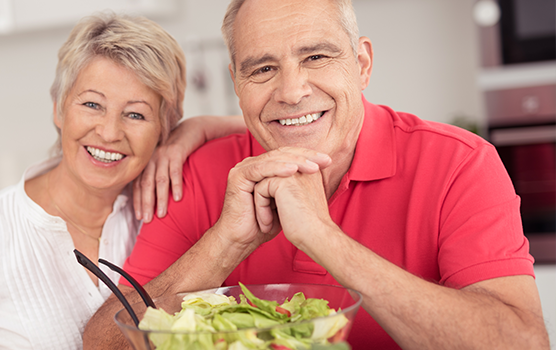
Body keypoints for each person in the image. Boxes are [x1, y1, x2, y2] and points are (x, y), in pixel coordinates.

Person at [84, 0, 551, 349]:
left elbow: (520, 343)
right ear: (237, 86)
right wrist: (228, 240)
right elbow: (103, 343)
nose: (291, 91)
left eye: (316, 57)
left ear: (362, 64)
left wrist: (323, 238)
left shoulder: (460, 163)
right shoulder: (198, 172)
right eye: (263, 69)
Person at [0, 13, 246, 350]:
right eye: (91, 104)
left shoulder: (170, 208)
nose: (108, 132)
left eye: (136, 115)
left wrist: (201, 126)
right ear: (58, 108)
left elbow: (277, 128)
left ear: (165, 129)